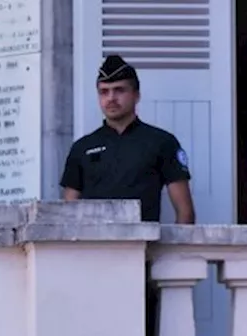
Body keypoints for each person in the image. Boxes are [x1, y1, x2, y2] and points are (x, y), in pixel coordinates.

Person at [60, 54, 194, 224]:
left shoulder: (162, 142)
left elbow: (185, 213)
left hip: (145, 246)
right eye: (104, 92)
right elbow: (66, 215)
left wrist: (175, 251)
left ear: (136, 95)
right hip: (93, 246)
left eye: (119, 90)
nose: (111, 98)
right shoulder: (82, 148)